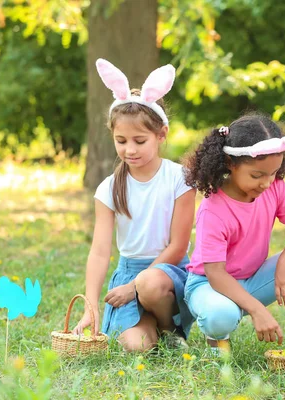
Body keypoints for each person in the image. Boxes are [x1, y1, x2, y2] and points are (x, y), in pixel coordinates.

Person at [71, 59, 196, 351]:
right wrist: (91, 304)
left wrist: (135, 286)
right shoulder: (110, 188)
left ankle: (170, 329)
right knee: (134, 346)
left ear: (161, 134)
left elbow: (178, 246)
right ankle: (147, 326)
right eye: (121, 140)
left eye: (140, 140)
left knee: (150, 284)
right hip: (129, 271)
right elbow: (100, 251)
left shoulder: (179, 179)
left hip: (169, 273)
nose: (130, 149)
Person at [182, 113, 285, 355]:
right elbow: (215, 274)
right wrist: (259, 310)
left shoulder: (275, 188)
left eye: (273, 173)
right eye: (257, 175)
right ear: (230, 162)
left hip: (252, 280)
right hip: (210, 285)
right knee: (221, 314)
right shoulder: (213, 210)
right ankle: (216, 339)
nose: (267, 183)